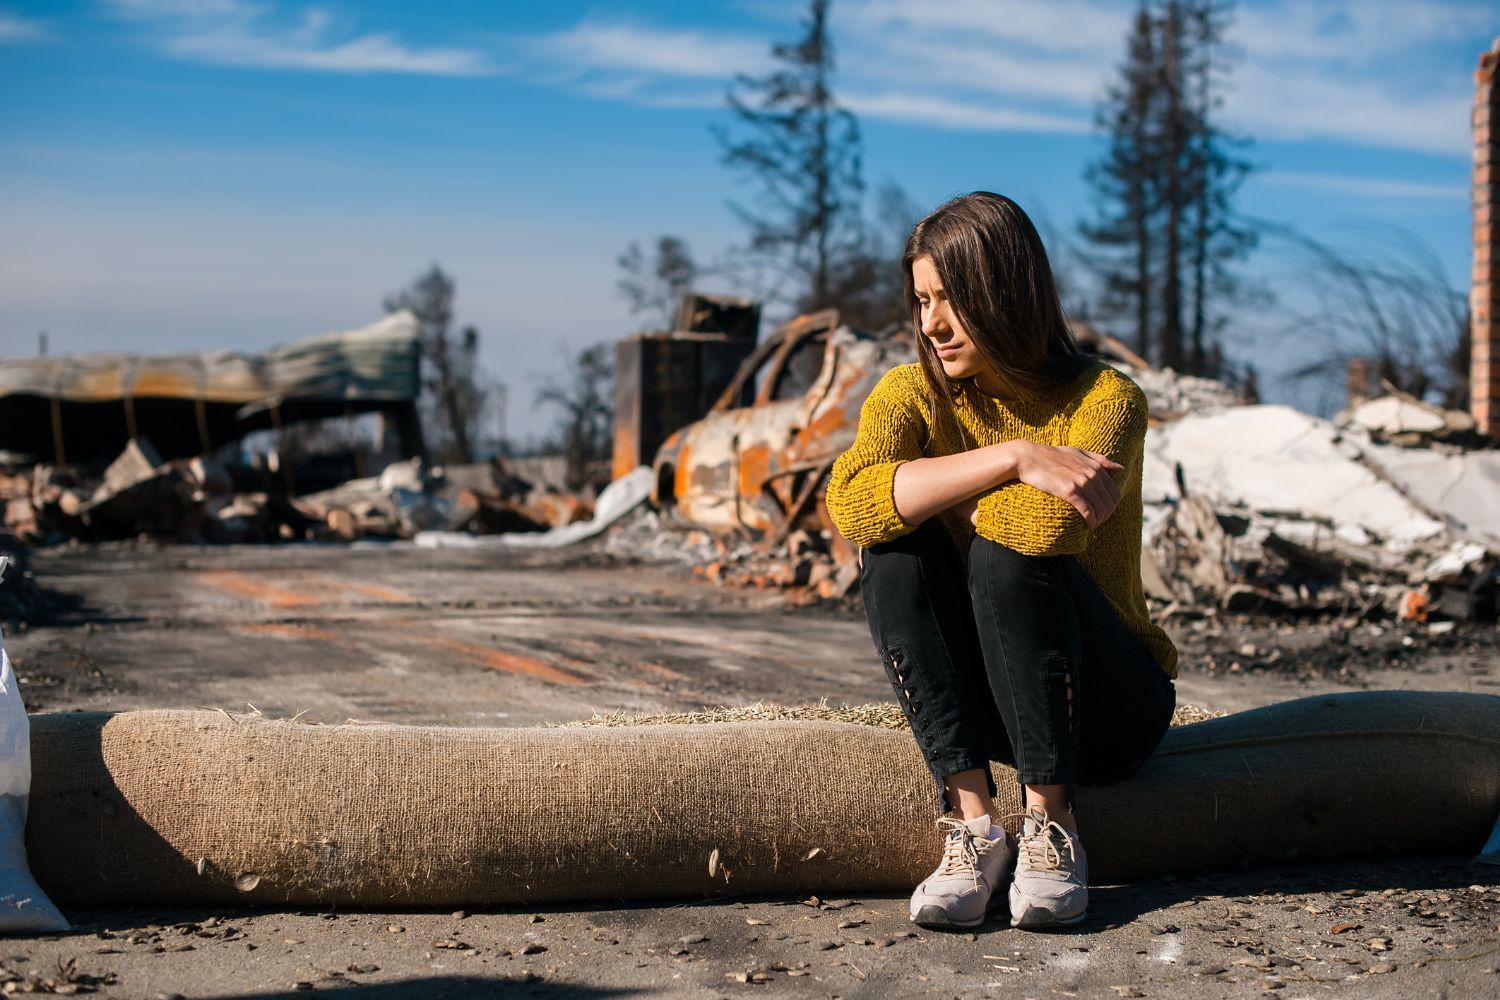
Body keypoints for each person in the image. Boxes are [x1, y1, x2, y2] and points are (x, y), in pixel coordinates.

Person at [824, 192, 1177, 932]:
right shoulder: (908, 394)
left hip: (1108, 703)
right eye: (921, 300)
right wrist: (1014, 456)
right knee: (893, 549)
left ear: (1007, 291)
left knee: (1005, 559)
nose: (932, 325)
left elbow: (1045, 525)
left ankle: (1053, 826)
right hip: (995, 702)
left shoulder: (1106, 399)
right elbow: (851, 504)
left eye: (951, 299)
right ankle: (975, 826)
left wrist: (929, 487)